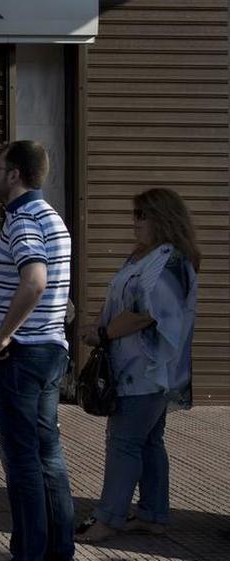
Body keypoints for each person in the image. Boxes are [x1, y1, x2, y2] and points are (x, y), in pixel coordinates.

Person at [75, 188, 200, 543]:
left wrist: (102, 332)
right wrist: (97, 325)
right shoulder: (144, 257)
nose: (135, 223)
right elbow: (120, 297)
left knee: (124, 442)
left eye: (142, 215)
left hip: (146, 370)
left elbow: (147, 314)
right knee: (148, 442)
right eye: (135, 214)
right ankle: (152, 515)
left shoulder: (169, 260)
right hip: (139, 368)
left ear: (163, 218)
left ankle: (109, 518)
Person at [0, 141, 74, 561]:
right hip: (50, 350)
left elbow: (35, 280)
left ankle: (29, 553)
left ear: (15, 174)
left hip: (21, 356)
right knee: (48, 458)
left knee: (22, 463)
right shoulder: (53, 217)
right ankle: (59, 550)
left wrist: (4, 334)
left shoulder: (22, 220)